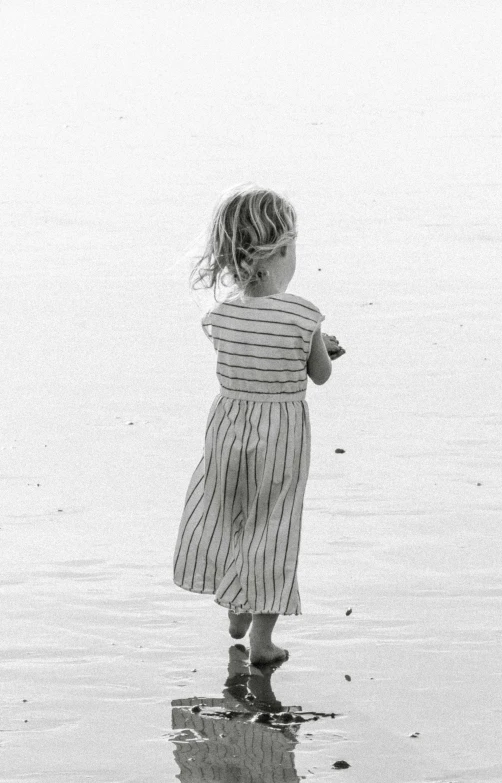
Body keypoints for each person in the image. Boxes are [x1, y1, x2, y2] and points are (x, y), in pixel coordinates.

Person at [173, 184, 344, 664]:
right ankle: (262, 643)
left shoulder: (220, 316)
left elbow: (247, 356)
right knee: (275, 524)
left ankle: (235, 608)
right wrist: (322, 347)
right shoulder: (303, 314)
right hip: (281, 433)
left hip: (228, 427)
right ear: (281, 250)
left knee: (230, 513)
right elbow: (320, 375)